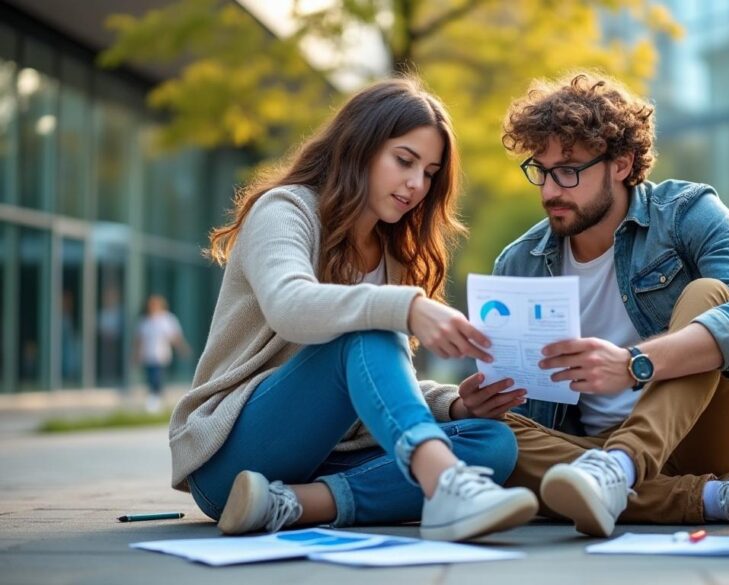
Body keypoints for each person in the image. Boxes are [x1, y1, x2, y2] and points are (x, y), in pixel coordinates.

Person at [170, 77, 537, 542]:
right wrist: (405, 307)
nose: (415, 184)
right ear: (359, 146)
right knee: (367, 326)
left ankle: (290, 506)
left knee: (493, 444)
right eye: (404, 161)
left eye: (429, 172)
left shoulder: (393, 256)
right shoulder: (285, 210)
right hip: (234, 456)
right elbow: (290, 306)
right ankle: (445, 484)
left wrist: (456, 403)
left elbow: (373, 381)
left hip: (311, 463)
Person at [469, 72, 729, 537]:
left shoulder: (685, 212)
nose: (551, 190)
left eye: (569, 169)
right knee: (480, 441)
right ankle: (710, 497)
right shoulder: (518, 262)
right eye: (541, 169)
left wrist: (635, 365)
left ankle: (621, 469)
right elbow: (525, 412)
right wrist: (484, 404)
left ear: (621, 163)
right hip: (585, 450)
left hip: (701, 430)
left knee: (708, 294)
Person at [135, 294, 188, 413]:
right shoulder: (145, 321)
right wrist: (137, 355)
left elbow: (174, 337)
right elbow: (139, 340)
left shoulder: (167, 319)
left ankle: (156, 399)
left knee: (157, 377)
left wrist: (182, 349)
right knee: (150, 377)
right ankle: (154, 398)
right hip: (148, 355)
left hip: (161, 355)